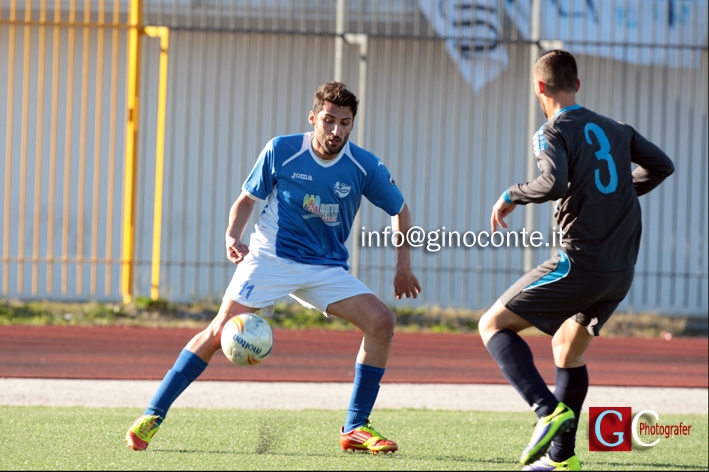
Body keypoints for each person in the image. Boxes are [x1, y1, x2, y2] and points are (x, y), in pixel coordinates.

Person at [125, 81, 421, 454]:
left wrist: (403, 266)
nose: (335, 131)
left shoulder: (364, 165)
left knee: (382, 323)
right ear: (313, 118)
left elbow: (399, 209)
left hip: (324, 267)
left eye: (344, 123)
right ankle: (153, 415)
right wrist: (233, 235)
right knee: (218, 332)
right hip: (270, 258)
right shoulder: (282, 150)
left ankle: (355, 427)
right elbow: (246, 200)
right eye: (328, 121)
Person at [479, 50, 674, 471]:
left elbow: (553, 182)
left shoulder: (550, 131)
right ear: (578, 85)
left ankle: (547, 411)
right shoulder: (616, 128)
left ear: (539, 88)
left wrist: (511, 194)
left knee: (491, 324)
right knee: (567, 349)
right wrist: (613, 193)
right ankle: (561, 459)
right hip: (620, 270)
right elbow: (662, 166)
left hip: (580, 262)